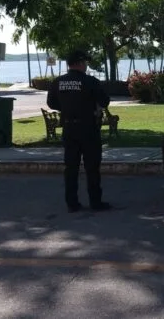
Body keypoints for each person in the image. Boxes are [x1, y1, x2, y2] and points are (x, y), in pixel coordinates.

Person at [46, 50, 112, 213]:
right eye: (85, 62)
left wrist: (67, 108)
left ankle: (72, 203)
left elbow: (51, 103)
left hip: (69, 128)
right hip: (88, 128)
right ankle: (95, 202)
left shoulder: (58, 82)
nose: (86, 64)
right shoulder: (90, 81)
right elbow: (105, 101)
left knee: (71, 167)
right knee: (92, 167)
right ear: (80, 63)